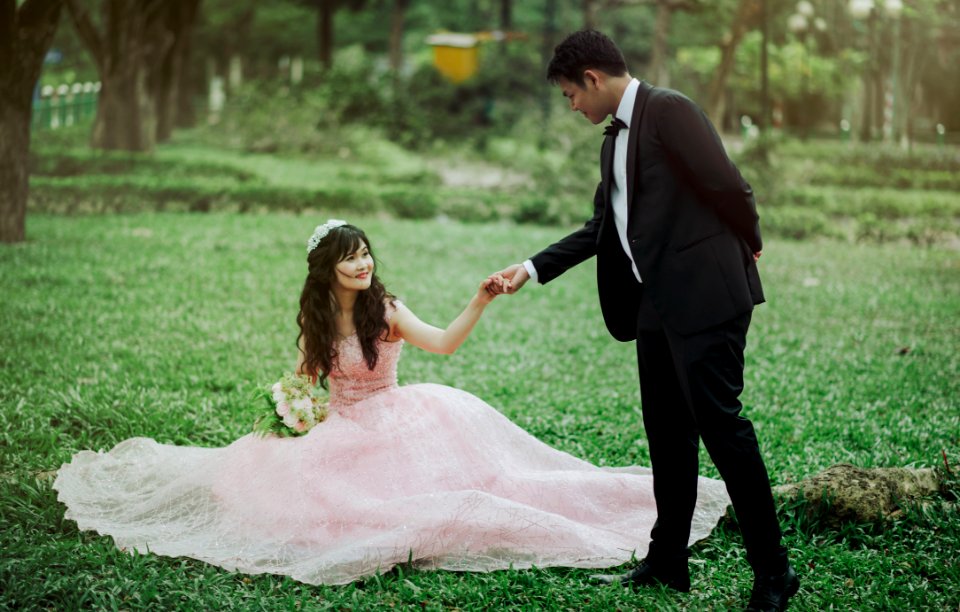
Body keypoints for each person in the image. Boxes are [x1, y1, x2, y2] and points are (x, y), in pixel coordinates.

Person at [53, 220, 731, 586]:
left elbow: (442, 346)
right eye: (350, 259)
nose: (363, 264)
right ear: (327, 271)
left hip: (404, 419)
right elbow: (300, 381)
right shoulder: (320, 322)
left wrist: (480, 299)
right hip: (343, 428)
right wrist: (291, 414)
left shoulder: (388, 310)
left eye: (366, 254)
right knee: (280, 489)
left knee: (493, 488)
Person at [490, 31, 798, 611]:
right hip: (654, 305)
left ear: (592, 79)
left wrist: (750, 242)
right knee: (666, 435)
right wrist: (529, 268)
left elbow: (728, 184)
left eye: (569, 95)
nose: (572, 106)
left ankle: (775, 573)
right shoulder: (612, 144)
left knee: (723, 431)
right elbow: (601, 227)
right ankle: (667, 560)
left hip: (706, 298)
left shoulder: (671, 110)